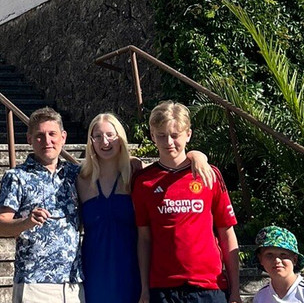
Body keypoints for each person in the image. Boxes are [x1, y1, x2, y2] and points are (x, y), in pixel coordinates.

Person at [78, 113, 214, 303]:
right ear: (91, 141)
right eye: (98, 136)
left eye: (110, 135)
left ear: (120, 138)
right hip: (95, 271)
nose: (105, 141)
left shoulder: (136, 172)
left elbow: (171, 163)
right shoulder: (80, 179)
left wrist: (197, 156)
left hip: (133, 270)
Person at [132, 101, 241, 303]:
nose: (169, 142)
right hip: (163, 288)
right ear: (152, 136)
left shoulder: (209, 174)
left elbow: (227, 233)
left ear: (188, 134)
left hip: (208, 286)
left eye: (175, 135)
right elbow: (144, 238)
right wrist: (144, 288)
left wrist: (235, 290)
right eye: (162, 135)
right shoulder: (143, 181)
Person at [0, 107, 84, 303]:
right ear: (29, 139)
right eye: (40, 136)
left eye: (52, 134)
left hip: (72, 282)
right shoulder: (17, 177)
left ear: (63, 137)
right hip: (34, 282)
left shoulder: (76, 174)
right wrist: (26, 222)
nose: (47, 141)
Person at [253, 226, 304, 303]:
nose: (277, 260)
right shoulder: (260, 297)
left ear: (294, 260)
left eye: (283, 255)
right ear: (261, 259)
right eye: (269, 255)